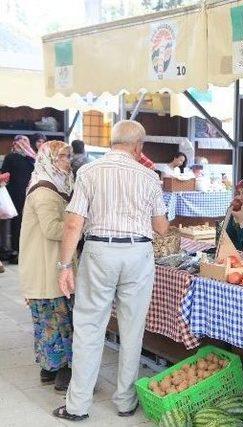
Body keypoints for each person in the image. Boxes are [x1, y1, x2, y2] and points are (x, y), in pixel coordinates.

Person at [52, 120, 169, 421]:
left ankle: (77, 406)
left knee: (89, 327)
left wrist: (65, 265)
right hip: (138, 254)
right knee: (132, 329)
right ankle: (125, 401)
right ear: (138, 147)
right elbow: (161, 227)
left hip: (99, 251)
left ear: (111, 141)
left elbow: (73, 223)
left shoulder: (88, 171)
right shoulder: (149, 177)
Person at [19, 141, 75, 393]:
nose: (67, 161)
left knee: (48, 320)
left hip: (46, 265)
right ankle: (61, 370)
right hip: (46, 269)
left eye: (68, 156)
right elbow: (52, 229)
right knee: (57, 321)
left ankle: (49, 368)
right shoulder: (45, 190)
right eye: (62, 157)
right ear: (49, 160)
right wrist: (80, 227)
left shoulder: (53, 185)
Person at [0, 134, 36, 263]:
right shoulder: (12, 157)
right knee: (17, 224)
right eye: (20, 141)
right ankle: (16, 251)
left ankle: (23, 251)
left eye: (26, 141)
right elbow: (4, 174)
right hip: (16, 195)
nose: (23, 143)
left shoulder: (32, 158)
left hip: (30, 195)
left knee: (26, 223)